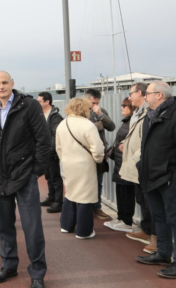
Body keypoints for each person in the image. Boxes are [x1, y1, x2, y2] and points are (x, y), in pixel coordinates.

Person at [0, 71, 50, 288]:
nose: (1, 86)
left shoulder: (28, 106)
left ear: (12, 84)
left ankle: (37, 273)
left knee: (32, 227)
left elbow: (43, 139)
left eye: (4, 82)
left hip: (24, 175)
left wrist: (35, 171)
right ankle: (9, 265)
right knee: (4, 226)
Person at [135, 81, 176, 279]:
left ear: (159, 95)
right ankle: (163, 253)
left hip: (169, 180)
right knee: (159, 217)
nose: (144, 96)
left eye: (147, 93)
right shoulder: (149, 117)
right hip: (151, 178)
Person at [55, 98, 104, 240]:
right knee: (86, 196)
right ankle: (84, 231)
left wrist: (64, 159)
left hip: (68, 163)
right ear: (84, 109)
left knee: (71, 193)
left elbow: (58, 147)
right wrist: (98, 160)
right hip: (85, 165)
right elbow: (98, 148)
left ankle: (66, 225)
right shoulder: (88, 125)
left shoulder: (62, 124)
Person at [119, 83, 157, 253]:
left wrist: (136, 158)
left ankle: (155, 237)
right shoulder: (138, 112)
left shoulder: (148, 113)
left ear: (140, 93)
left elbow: (148, 140)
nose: (129, 96)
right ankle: (146, 230)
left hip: (142, 164)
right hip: (136, 164)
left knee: (151, 203)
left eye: (131, 93)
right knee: (141, 199)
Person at [104, 98, 135, 232]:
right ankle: (121, 217)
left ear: (132, 108)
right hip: (119, 163)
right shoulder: (126, 122)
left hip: (126, 164)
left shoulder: (132, 123)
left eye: (124, 106)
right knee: (120, 192)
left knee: (127, 193)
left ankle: (127, 221)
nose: (121, 108)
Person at [84, 88, 116, 220]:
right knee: (85, 182)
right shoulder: (80, 111)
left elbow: (112, 126)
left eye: (97, 102)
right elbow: (83, 129)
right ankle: (85, 208)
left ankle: (97, 207)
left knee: (99, 181)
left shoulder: (100, 111)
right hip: (85, 153)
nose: (95, 105)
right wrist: (98, 125)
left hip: (100, 152)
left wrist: (101, 115)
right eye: (92, 102)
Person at [37, 92, 64, 213]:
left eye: (39, 101)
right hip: (44, 152)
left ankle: (58, 202)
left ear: (47, 102)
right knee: (48, 176)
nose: (38, 103)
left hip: (51, 152)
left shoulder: (55, 116)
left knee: (55, 177)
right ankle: (51, 197)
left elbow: (56, 135)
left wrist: (51, 150)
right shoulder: (40, 115)